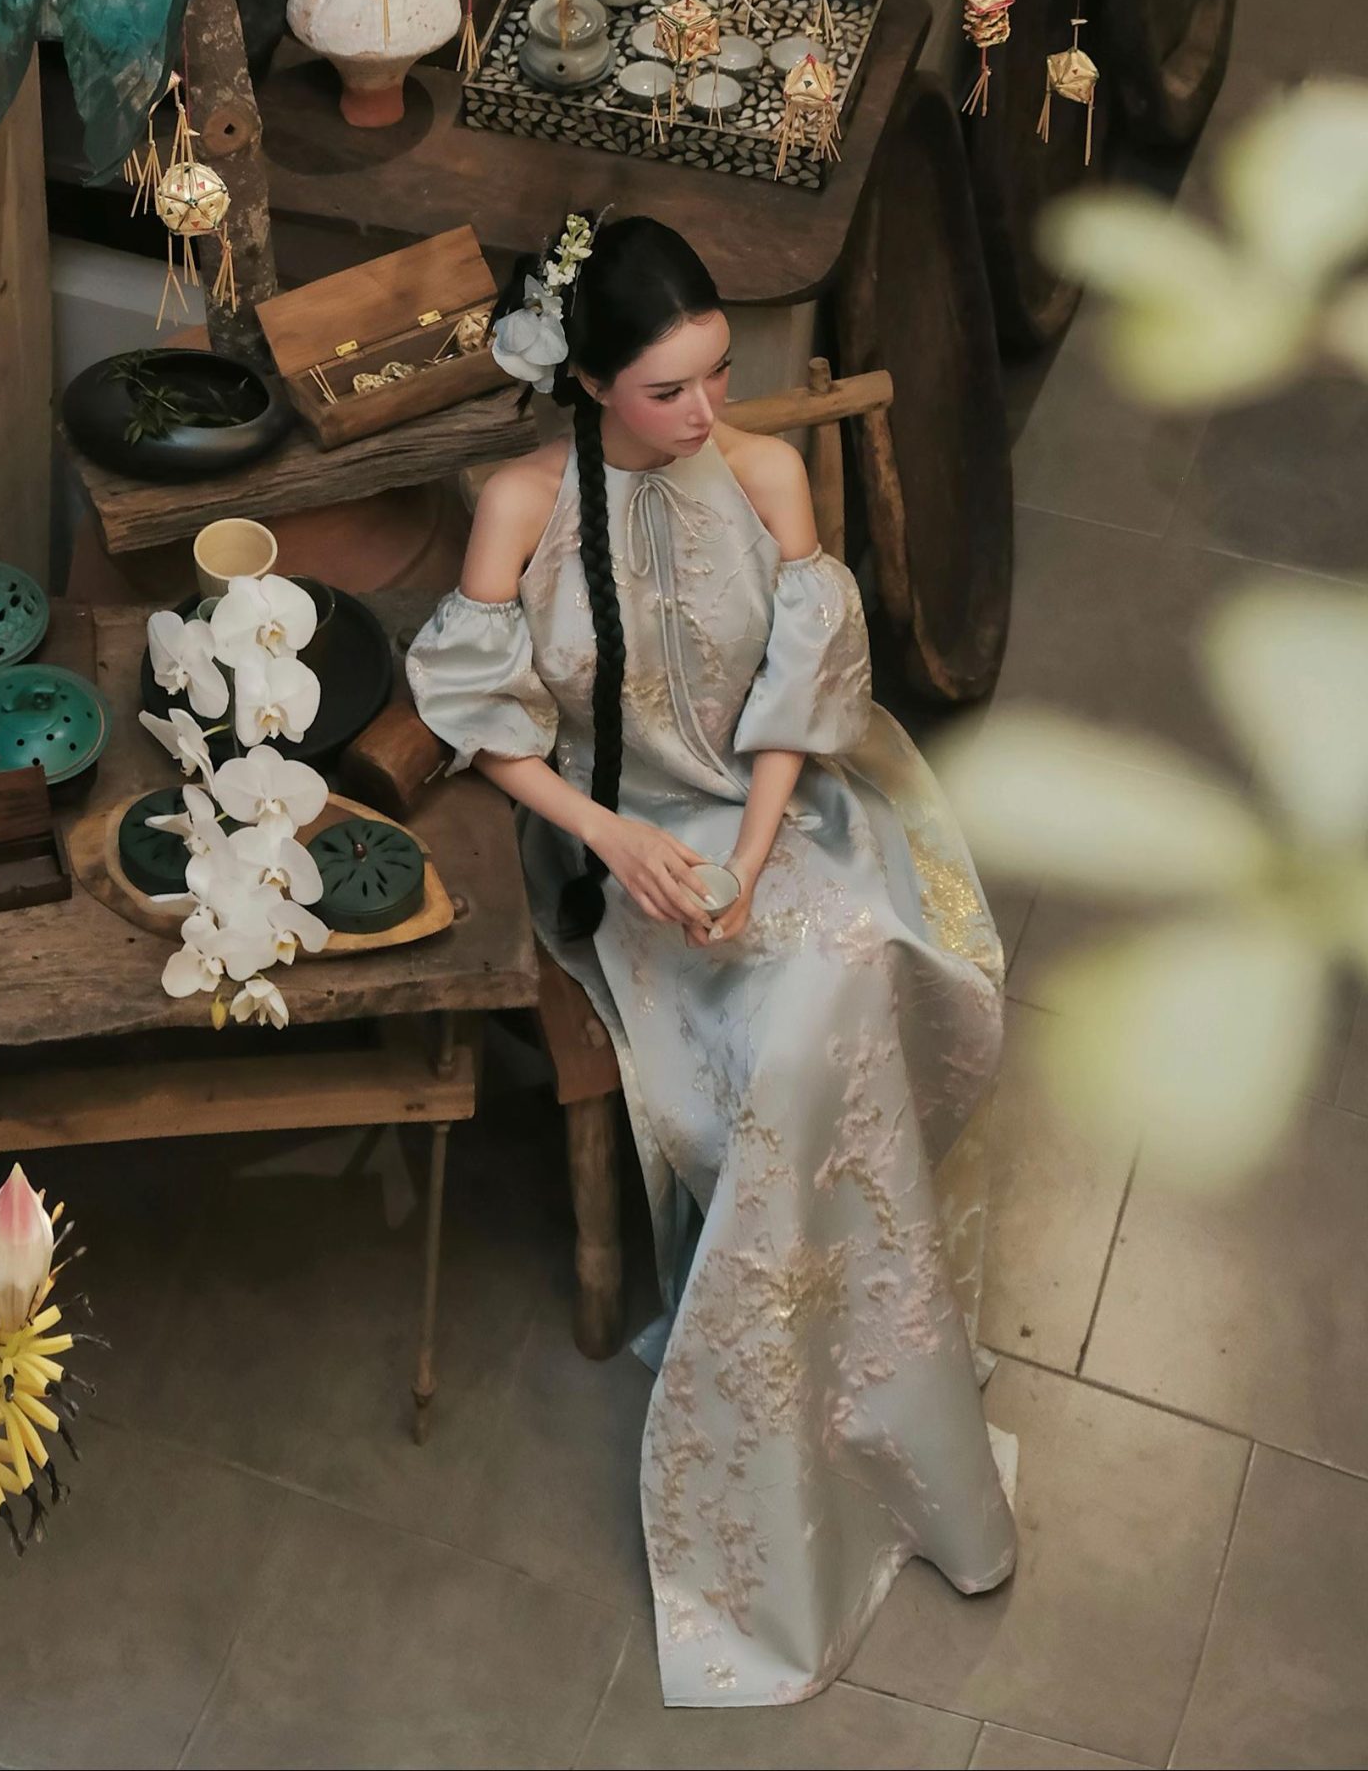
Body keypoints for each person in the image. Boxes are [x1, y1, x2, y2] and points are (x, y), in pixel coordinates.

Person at [407, 214, 1017, 1709]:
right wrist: (615, 843)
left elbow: (802, 700)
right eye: (668, 388)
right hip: (621, 849)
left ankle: (836, 1378)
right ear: (590, 382)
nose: (706, 412)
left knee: (836, 988)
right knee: (795, 1045)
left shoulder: (765, 476)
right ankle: (804, 1402)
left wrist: (749, 861)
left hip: (781, 819)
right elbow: (480, 722)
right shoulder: (519, 506)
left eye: (718, 374)